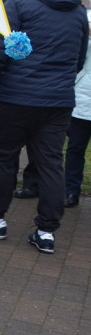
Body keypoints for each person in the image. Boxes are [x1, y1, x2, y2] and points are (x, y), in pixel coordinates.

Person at [0, 0, 88, 254]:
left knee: (4, 157)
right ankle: (46, 231)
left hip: (16, 97)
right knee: (50, 163)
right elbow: (80, 55)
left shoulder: (19, 4)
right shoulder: (78, 11)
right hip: (58, 100)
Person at [64, 11, 91, 208]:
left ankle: (71, 190)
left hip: (81, 101)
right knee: (75, 149)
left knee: (75, 149)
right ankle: (71, 190)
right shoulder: (84, 42)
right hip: (81, 104)